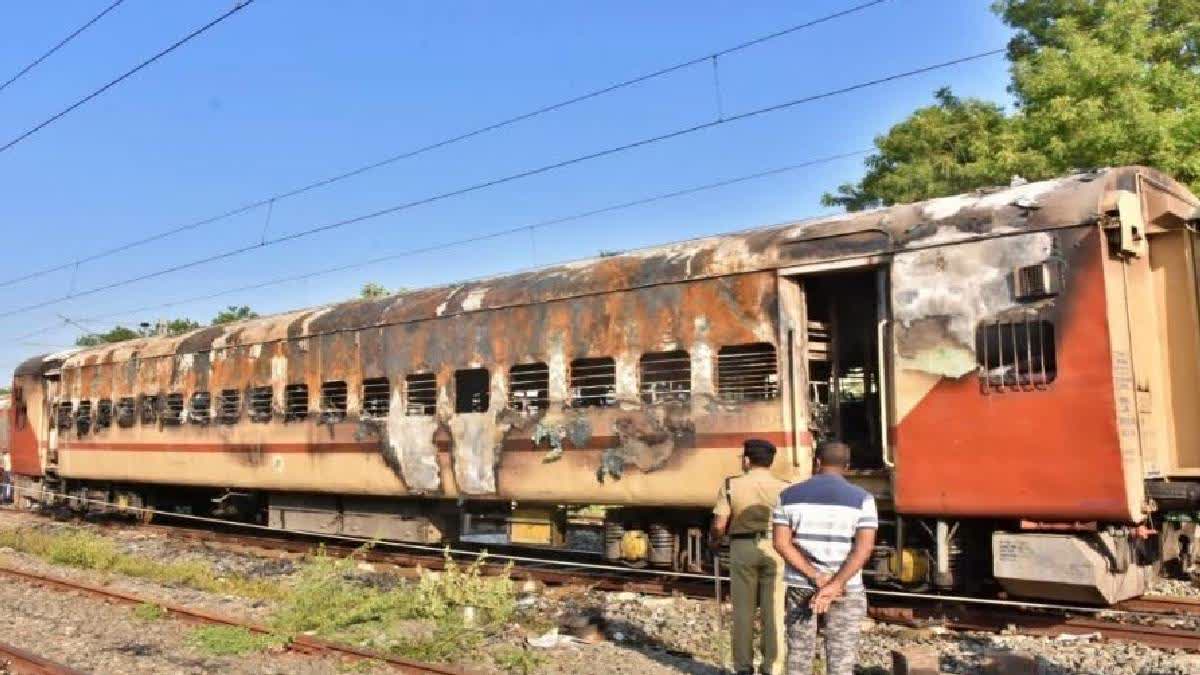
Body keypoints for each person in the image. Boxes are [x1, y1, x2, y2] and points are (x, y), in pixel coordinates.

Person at [771, 440, 877, 675]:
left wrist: (817, 577)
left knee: (798, 654)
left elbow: (780, 543)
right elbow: (863, 549)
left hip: (802, 585)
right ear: (847, 466)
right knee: (842, 657)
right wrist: (836, 584)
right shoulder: (863, 499)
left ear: (816, 462)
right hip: (846, 588)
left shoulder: (787, 496)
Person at [710, 438, 790, 675]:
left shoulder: (731, 485)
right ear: (770, 462)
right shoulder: (785, 488)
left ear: (746, 460)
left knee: (743, 612)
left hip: (742, 547)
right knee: (774, 611)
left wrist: (715, 540)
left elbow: (719, 524)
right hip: (776, 548)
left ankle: (743, 668)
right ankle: (772, 668)